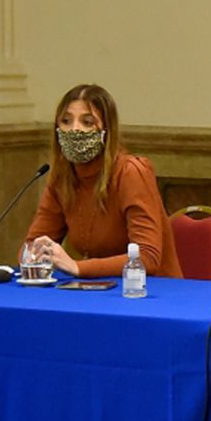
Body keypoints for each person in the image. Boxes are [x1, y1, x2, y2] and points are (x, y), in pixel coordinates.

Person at [24, 84, 182, 278]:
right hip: (98, 290)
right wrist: (34, 256)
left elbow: (147, 257)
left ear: (106, 130)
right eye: (66, 121)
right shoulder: (62, 177)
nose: (74, 130)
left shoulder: (130, 172)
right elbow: (33, 244)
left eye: (87, 122)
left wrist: (78, 267)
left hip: (149, 292)